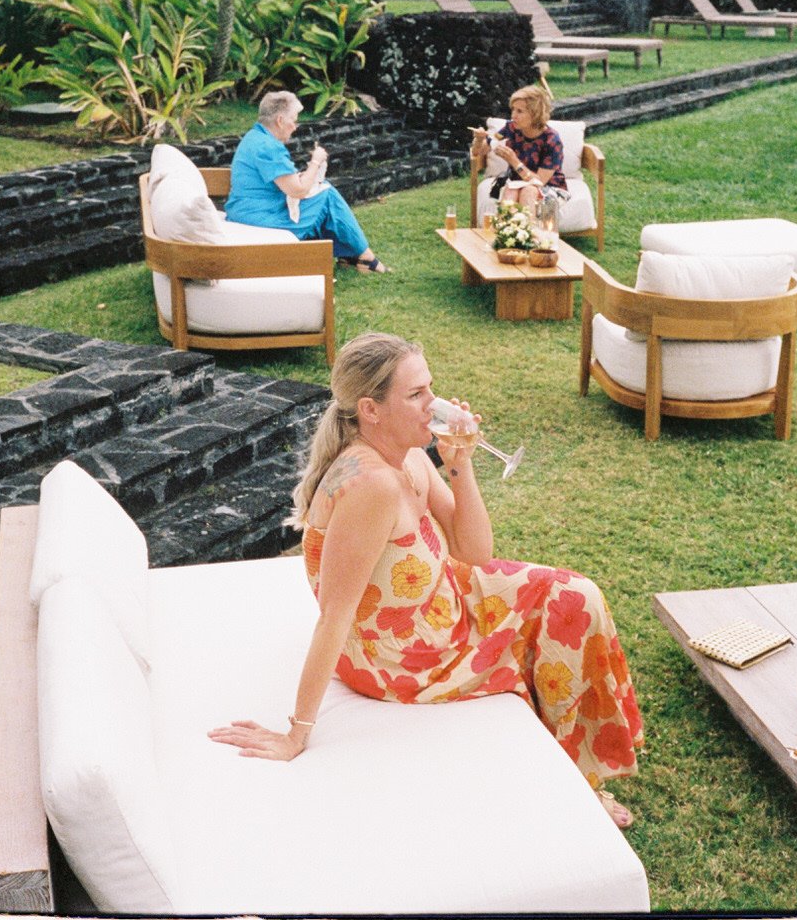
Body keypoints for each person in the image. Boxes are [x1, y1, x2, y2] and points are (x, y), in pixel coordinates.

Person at [209, 332, 644, 829]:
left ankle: (579, 764)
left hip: (446, 597)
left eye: (430, 389)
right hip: (407, 655)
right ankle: (578, 783)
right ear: (370, 410)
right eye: (416, 395)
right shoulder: (370, 486)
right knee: (558, 623)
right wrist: (296, 734)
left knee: (577, 597)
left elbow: (474, 553)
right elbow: (334, 616)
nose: (432, 405)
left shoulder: (409, 454)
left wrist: (461, 464)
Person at [224, 90, 391, 273]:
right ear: (280, 121)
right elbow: (298, 190)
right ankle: (365, 256)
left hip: (244, 212)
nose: (295, 126)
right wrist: (316, 161)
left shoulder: (253, 137)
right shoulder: (268, 148)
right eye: (294, 120)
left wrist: (309, 174)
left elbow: (285, 182)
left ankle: (351, 255)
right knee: (327, 195)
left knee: (321, 194)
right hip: (261, 218)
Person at [473, 83, 570, 220]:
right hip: (517, 183)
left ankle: (528, 237)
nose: (513, 116)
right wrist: (479, 139)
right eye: (513, 110)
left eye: (520, 111)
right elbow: (483, 149)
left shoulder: (552, 140)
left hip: (550, 187)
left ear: (535, 113)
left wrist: (514, 161)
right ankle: (507, 237)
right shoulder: (511, 128)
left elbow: (539, 182)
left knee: (528, 191)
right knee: (510, 192)